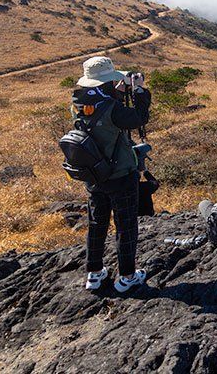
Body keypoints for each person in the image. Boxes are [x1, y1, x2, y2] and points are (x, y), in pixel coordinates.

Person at [72, 56, 152, 293]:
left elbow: (102, 111)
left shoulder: (78, 102)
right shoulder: (114, 108)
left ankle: (94, 274)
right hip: (120, 175)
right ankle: (127, 276)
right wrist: (138, 90)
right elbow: (138, 118)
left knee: (97, 224)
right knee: (125, 226)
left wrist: (116, 90)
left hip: (94, 174)